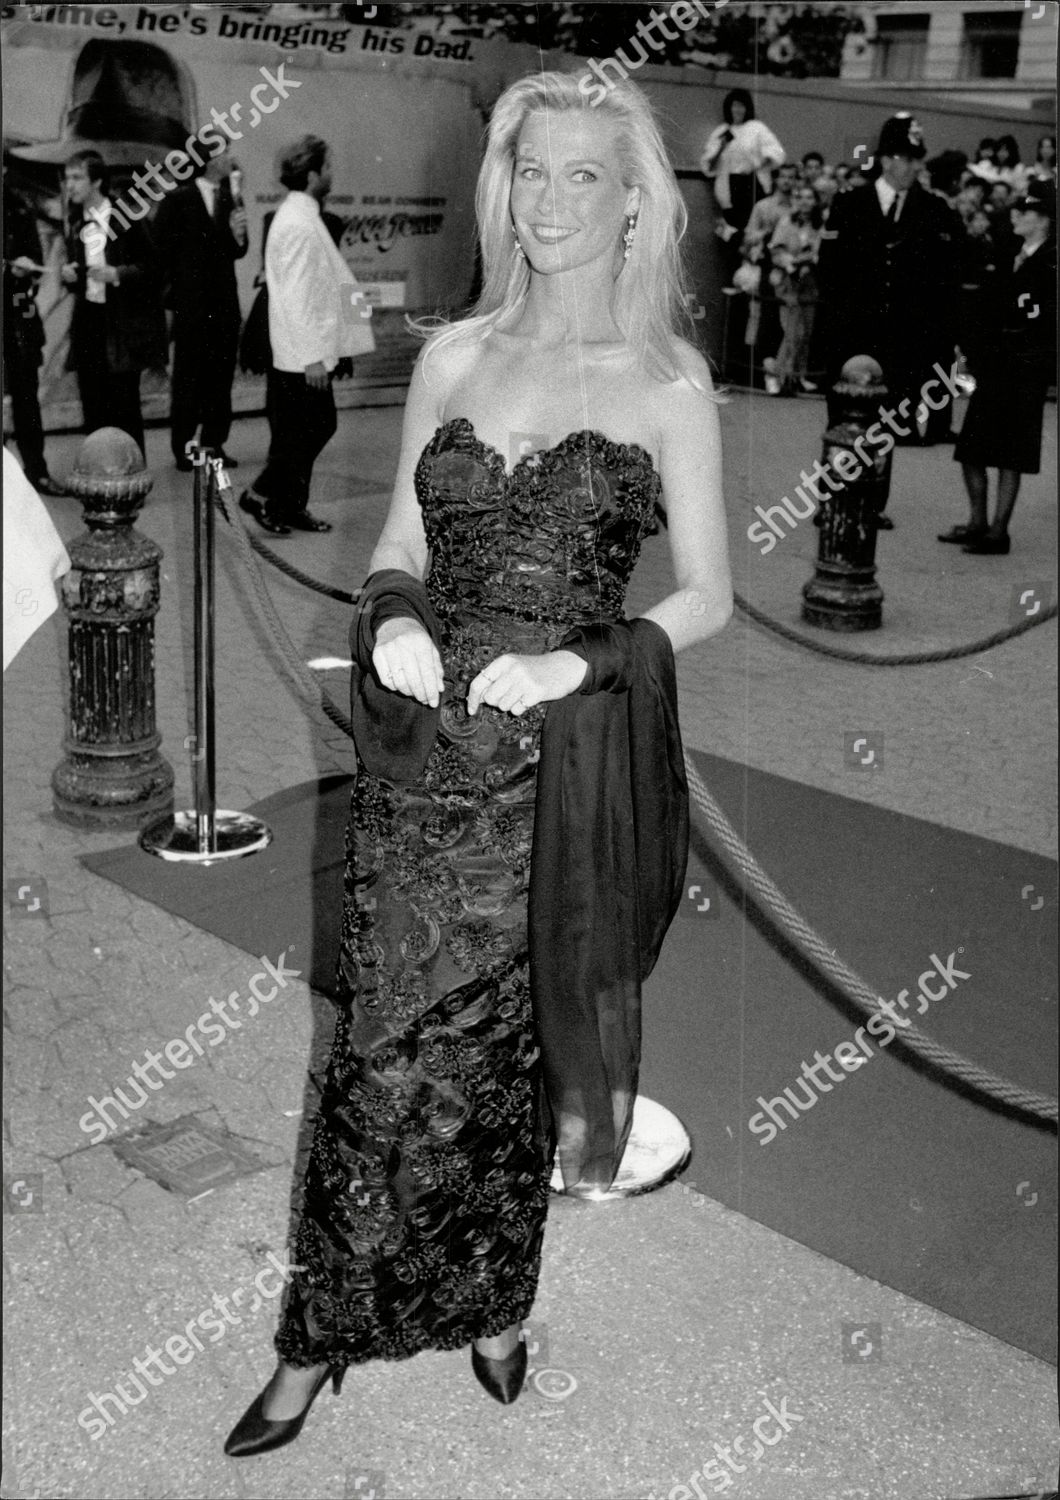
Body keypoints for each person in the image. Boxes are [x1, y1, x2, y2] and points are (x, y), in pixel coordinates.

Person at [223, 68, 731, 1457]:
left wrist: (585, 659)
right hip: (423, 754)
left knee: (503, 1053)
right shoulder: (449, 356)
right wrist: (388, 615)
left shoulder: (667, 386)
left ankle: (494, 1302)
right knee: (380, 1040)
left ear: (636, 202)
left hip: (556, 769)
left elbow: (709, 597)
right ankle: (317, 1336)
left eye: (584, 175)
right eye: (531, 170)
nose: (551, 199)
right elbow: (397, 545)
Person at [238, 135, 374, 536]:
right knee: (314, 427)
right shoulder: (298, 222)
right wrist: (314, 356)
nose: (333, 174)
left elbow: (330, 284)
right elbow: (297, 296)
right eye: (328, 167)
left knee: (308, 428)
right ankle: (262, 494)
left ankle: (288, 506)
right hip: (301, 355)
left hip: (306, 350)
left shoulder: (304, 214)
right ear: (313, 174)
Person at [816, 112, 960, 481]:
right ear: (886, 160)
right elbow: (830, 274)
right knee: (844, 424)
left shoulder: (933, 210)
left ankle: (872, 503)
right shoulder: (849, 204)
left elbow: (942, 282)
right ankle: (834, 499)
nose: (914, 167)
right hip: (852, 337)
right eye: (907, 158)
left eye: (917, 159)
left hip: (903, 343)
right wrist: (835, 337)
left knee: (888, 426)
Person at [941, 181, 1056, 555]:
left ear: (1044, 219)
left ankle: (998, 531)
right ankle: (977, 521)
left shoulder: (1051, 261)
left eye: (1024, 212)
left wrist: (1017, 313)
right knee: (971, 447)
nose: (1015, 216)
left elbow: (1040, 314)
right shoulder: (1010, 252)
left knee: (1012, 453)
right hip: (996, 362)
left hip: (1026, 365)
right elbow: (990, 301)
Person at [60, 149, 165, 458]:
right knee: (93, 401)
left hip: (121, 323)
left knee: (124, 405)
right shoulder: (77, 222)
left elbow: (154, 270)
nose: (70, 186)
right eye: (68, 179)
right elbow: (82, 274)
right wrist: (71, 276)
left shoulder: (126, 217)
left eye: (77, 178)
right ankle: (100, 474)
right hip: (89, 320)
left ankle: (131, 474)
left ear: (97, 182)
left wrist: (117, 274)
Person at [150, 147, 248, 472]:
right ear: (206, 160)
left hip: (224, 305)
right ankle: (185, 447)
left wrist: (238, 233)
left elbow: (240, 248)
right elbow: (160, 251)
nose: (228, 159)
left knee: (221, 378)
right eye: (223, 153)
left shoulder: (231, 197)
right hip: (191, 307)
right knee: (188, 379)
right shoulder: (177, 200)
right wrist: (174, 293)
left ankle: (214, 442)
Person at [3, 155, 66, 496]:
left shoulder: (19, 206)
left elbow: (37, 258)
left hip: (17, 319)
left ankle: (36, 472)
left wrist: (27, 266)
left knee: (27, 401)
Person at [700, 88, 785, 276]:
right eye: (734, 106)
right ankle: (736, 277)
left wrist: (757, 165)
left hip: (752, 184)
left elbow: (777, 154)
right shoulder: (722, 131)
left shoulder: (756, 128)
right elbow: (707, 165)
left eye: (741, 106)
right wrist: (721, 147)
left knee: (754, 232)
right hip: (729, 188)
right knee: (733, 235)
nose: (737, 110)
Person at [764, 183, 822, 396]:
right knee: (793, 331)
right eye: (801, 197)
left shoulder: (819, 224)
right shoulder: (787, 222)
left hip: (809, 282)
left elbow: (819, 251)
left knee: (805, 332)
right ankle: (776, 374)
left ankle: (797, 376)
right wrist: (793, 262)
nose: (805, 201)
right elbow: (777, 251)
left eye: (810, 197)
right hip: (789, 280)